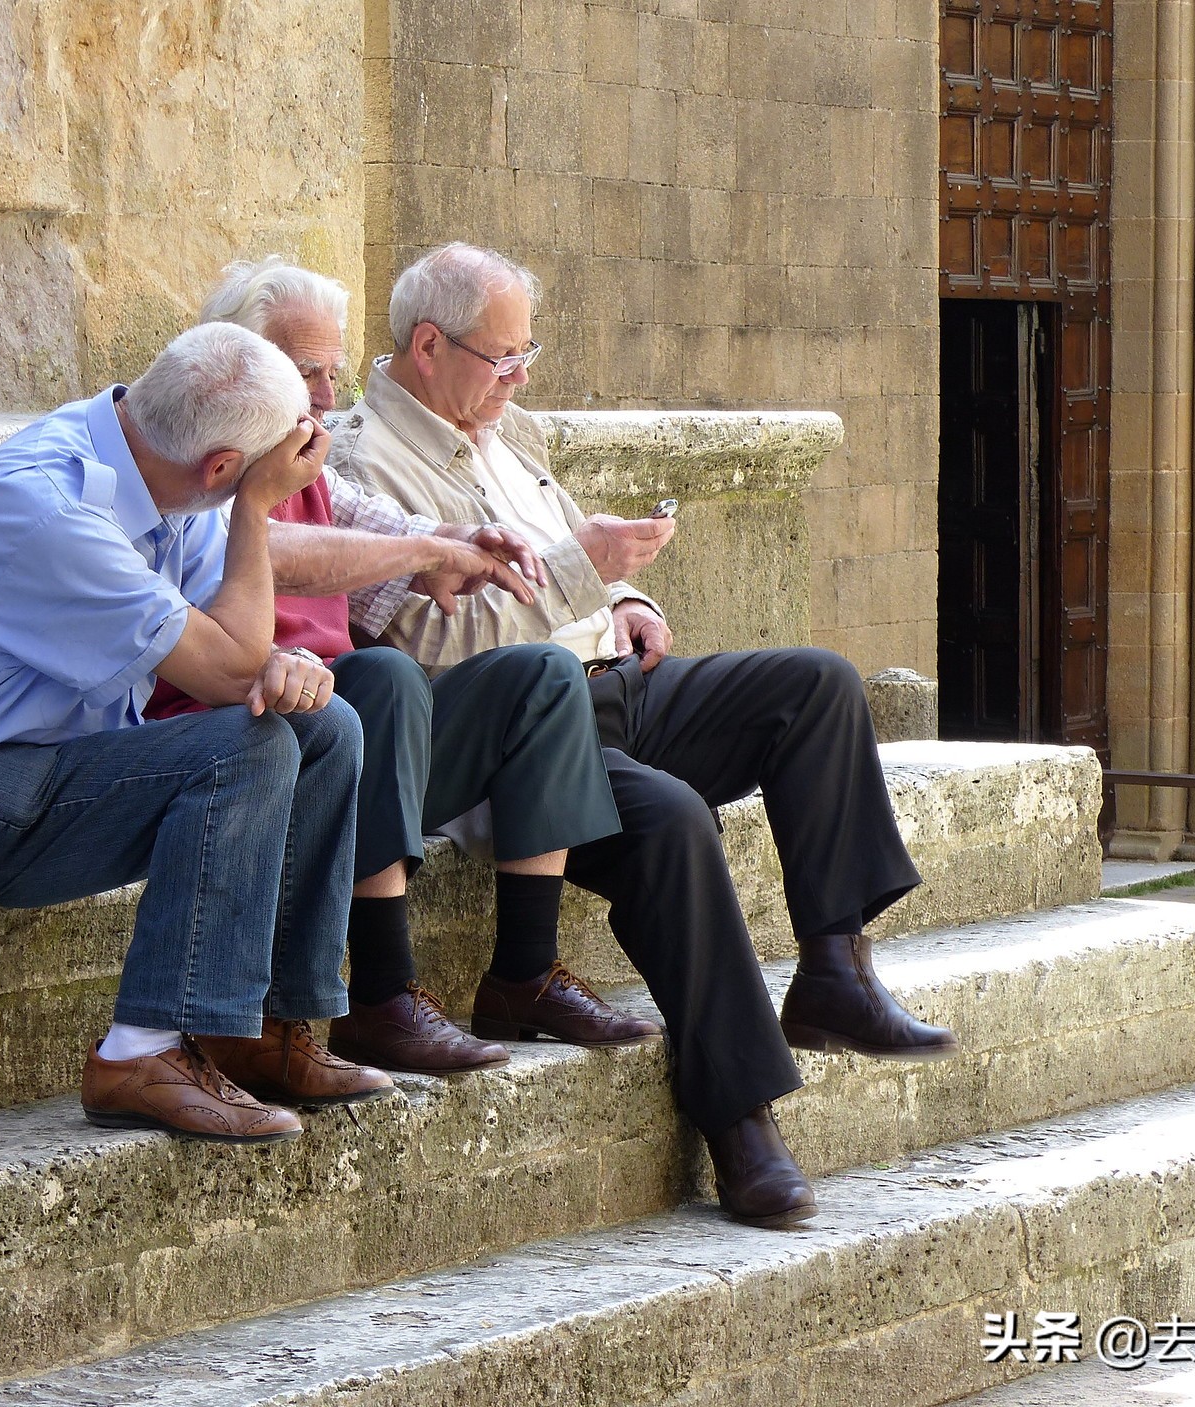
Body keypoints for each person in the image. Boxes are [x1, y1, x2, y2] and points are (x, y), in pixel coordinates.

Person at [329, 242, 960, 1227]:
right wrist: (580, 572)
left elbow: (571, 559)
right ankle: (742, 1125)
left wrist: (622, 591)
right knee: (669, 821)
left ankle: (835, 970)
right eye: (502, 356)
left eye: (524, 352)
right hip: (522, 736)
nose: (519, 374)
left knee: (815, 684)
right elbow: (433, 650)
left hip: (613, 684)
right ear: (425, 346)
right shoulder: (362, 460)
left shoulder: (508, 430)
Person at [0, 322, 392, 1146]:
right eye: (253, 477)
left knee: (324, 724)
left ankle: (252, 1031)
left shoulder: (158, 467)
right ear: (222, 468)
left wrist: (286, 667)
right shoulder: (51, 509)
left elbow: (235, 643)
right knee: (246, 747)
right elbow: (221, 669)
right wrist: (255, 511)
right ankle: (137, 1053)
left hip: (58, 771)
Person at [148, 257, 646, 1077]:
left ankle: (526, 970)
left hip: (344, 746)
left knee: (540, 676)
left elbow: (367, 527)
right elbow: (280, 550)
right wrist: (420, 550)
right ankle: (381, 994)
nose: (324, 397)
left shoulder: (307, 459)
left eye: (331, 372)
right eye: (303, 371)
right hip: (244, 748)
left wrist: (456, 548)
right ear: (237, 364)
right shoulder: (202, 464)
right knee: (378, 679)